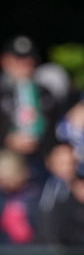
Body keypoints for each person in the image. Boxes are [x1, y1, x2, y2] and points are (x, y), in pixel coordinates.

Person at [0, 35, 59, 185]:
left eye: (30, 61)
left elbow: (55, 129)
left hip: (38, 164)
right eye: (19, 60)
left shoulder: (45, 93)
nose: (26, 65)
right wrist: (8, 139)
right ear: (5, 61)